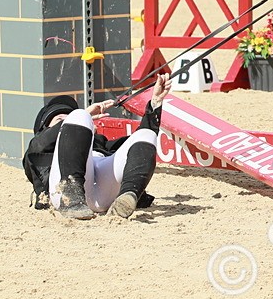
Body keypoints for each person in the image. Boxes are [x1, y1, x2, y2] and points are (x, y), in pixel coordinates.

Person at [23, 75, 170, 220]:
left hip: (103, 196)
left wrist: (155, 103)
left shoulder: (103, 143)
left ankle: (127, 196)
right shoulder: (40, 148)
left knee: (147, 134)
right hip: (62, 192)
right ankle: (71, 193)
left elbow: (139, 148)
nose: (68, 121)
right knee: (79, 114)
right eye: (60, 121)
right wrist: (81, 116)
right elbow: (38, 146)